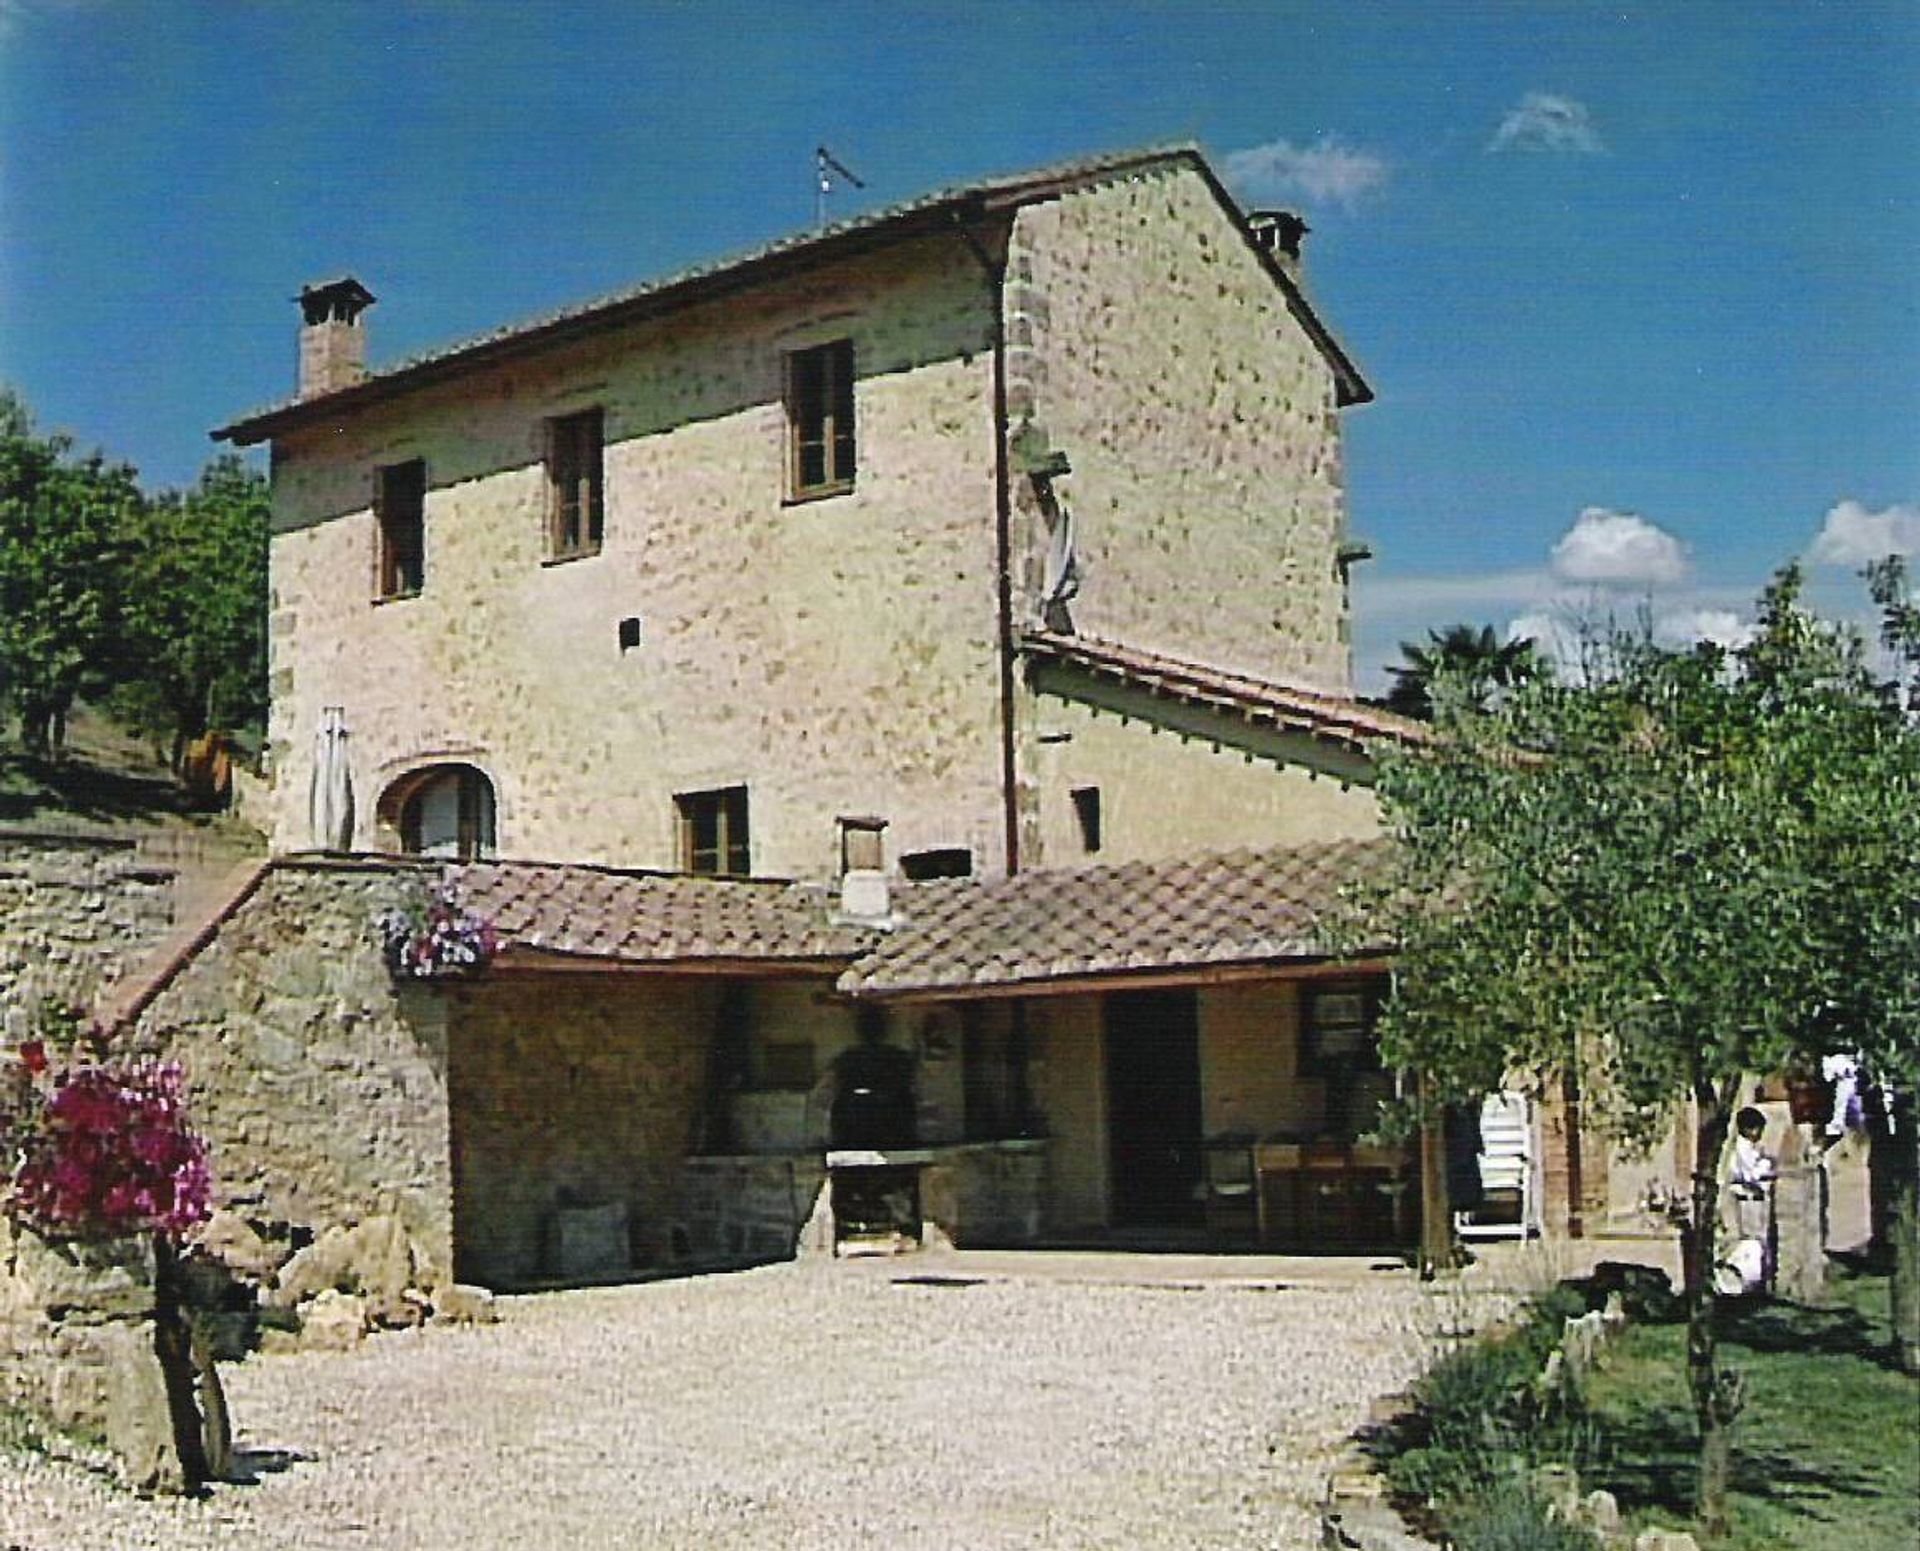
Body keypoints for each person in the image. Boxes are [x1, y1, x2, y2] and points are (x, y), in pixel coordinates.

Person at [1715, 1107, 1776, 1296]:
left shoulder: (1749, 1148)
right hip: (1745, 1199)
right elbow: (1752, 1175)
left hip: (1752, 1197)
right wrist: (1766, 1166)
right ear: (1751, 1129)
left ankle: (1756, 1283)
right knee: (1752, 1241)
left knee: (1758, 1240)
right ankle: (1747, 1283)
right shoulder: (1742, 1149)